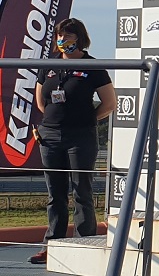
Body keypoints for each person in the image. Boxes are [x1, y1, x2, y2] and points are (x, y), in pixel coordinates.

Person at [29, 18, 116, 264]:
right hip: (50, 136)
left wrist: (87, 119)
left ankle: (84, 244)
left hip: (81, 136)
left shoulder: (93, 67)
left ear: (79, 38)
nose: (62, 40)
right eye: (59, 35)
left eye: (67, 35)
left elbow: (109, 103)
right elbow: (41, 102)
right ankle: (52, 245)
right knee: (55, 194)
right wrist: (52, 125)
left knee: (82, 191)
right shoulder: (48, 65)